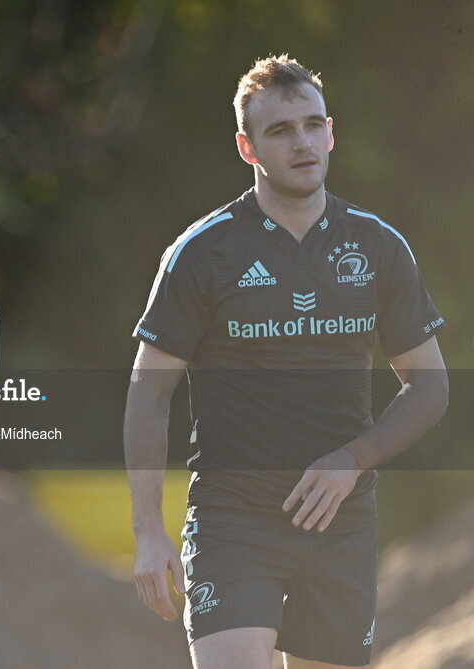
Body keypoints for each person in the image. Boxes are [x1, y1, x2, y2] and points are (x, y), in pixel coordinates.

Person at [124, 55, 448, 669]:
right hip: (233, 520)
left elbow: (430, 388)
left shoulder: (376, 244)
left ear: (331, 133)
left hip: (341, 523)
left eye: (311, 125)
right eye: (280, 131)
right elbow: (150, 390)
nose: (301, 142)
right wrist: (148, 533)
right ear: (247, 147)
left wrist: (352, 460)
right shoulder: (202, 252)